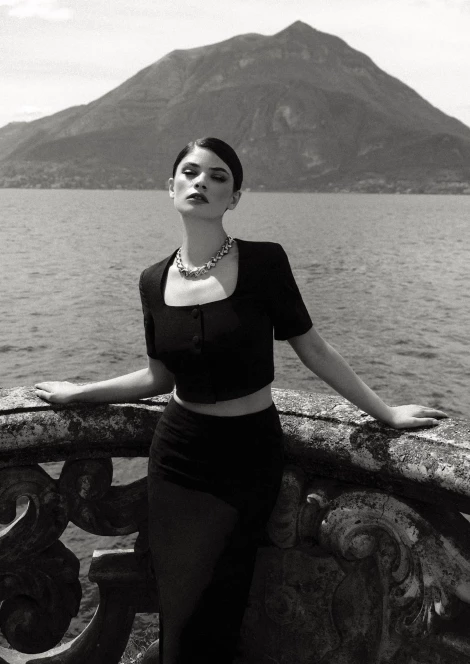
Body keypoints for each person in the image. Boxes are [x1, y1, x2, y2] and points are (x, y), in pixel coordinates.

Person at [35, 137, 447, 664]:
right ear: (170, 187)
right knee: (178, 607)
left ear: (234, 198)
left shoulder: (264, 263)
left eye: (218, 176)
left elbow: (313, 349)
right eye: (190, 172)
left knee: (217, 603)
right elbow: (160, 376)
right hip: (178, 458)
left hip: (247, 457)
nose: (201, 182)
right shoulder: (153, 281)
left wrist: (385, 413)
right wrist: (80, 393)